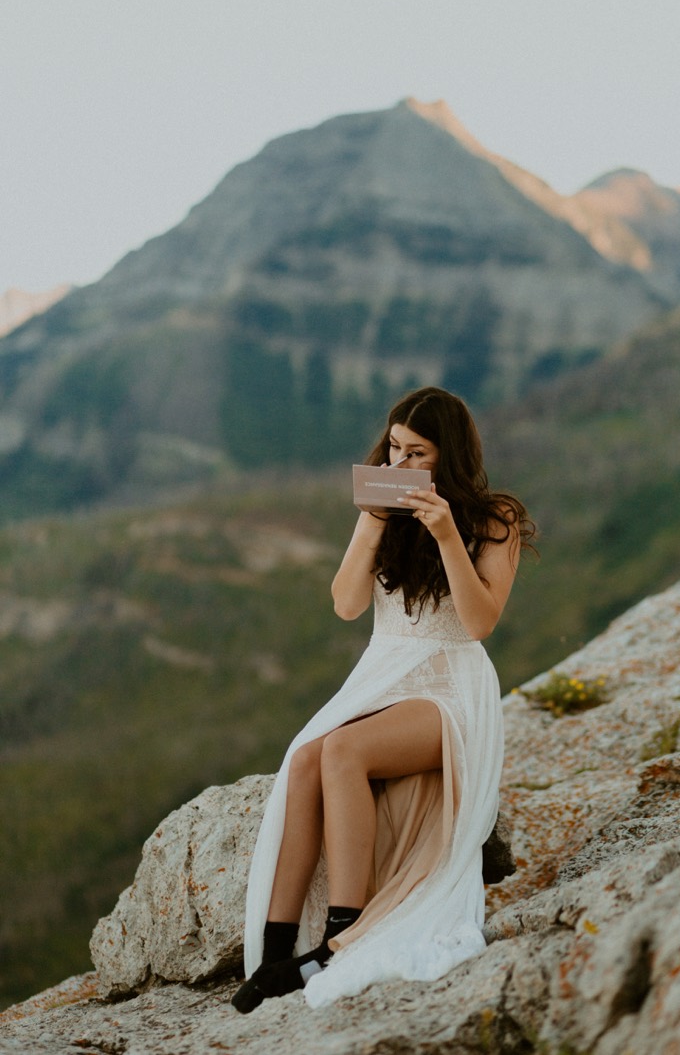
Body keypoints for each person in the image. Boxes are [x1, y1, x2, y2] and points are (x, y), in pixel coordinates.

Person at [233, 386, 535, 1013]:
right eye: (394, 448)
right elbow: (346, 604)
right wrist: (371, 521)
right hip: (387, 670)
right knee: (306, 758)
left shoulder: (494, 518)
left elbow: (480, 623)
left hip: (451, 686)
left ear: (447, 458)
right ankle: (275, 949)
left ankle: (344, 935)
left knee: (342, 749)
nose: (400, 464)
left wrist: (449, 535)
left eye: (417, 454)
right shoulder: (383, 508)